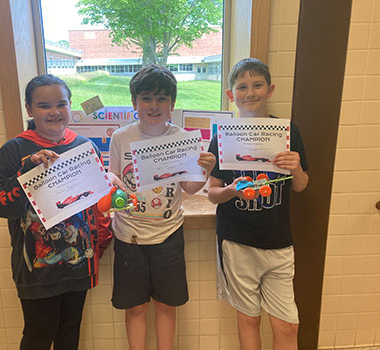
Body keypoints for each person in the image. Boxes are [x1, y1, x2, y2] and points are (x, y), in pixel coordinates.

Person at [0, 74, 113, 350]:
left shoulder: (84, 146)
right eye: (44, 106)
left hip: (78, 265)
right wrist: (27, 172)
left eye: (61, 104)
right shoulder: (14, 150)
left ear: (69, 106)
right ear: (29, 109)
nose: (54, 112)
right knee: (38, 338)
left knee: (69, 338)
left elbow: (95, 204)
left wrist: (102, 238)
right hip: (37, 270)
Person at [108, 64, 216, 350]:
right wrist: (113, 185)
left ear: (172, 104)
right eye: (146, 98)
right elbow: (115, 184)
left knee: (167, 305)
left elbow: (189, 189)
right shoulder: (121, 138)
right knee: (136, 307)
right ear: (134, 102)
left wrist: (206, 169)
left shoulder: (182, 138)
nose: (153, 105)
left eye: (161, 99)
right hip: (128, 236)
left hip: (168, 236)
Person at [207, 57, 309, 350]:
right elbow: (212, 193)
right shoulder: (222, 138)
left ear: (270, 89)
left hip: (278, 241)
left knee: (287, 326)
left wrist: (296, 168)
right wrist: (232, 191)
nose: (250, 92)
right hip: (237, 242)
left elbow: (301, 186)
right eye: (242, 87)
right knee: (249, 319)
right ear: (231, 95)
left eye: (257, 85)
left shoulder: (289, 132)